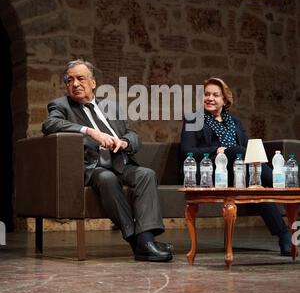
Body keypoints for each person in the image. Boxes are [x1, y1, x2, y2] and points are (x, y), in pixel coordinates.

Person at [42, 59, 173, 262]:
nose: (75, 84)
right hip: (93, 168)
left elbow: (132, 134)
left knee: (147, 174)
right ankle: (138, 242)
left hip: (121, 163)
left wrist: (124, 142)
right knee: (107, 178)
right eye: (70, 80)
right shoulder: (61, 106)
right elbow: (50, 124)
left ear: (93, 83)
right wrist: (90, 132)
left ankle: (145, 241)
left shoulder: (111, 106)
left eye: (80, 78)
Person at [181, 77, 291, 256]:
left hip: (239, 171)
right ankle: (282, 183)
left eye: (215, 95)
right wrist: (217, 150)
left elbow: (248, 150)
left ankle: (283, 235)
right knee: (234, 153)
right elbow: (187, 151)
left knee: (255, 184)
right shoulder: (194, 119)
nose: (209, 98)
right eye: (206, 94)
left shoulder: (235, 122)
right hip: (210, 171)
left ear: (225, 100)